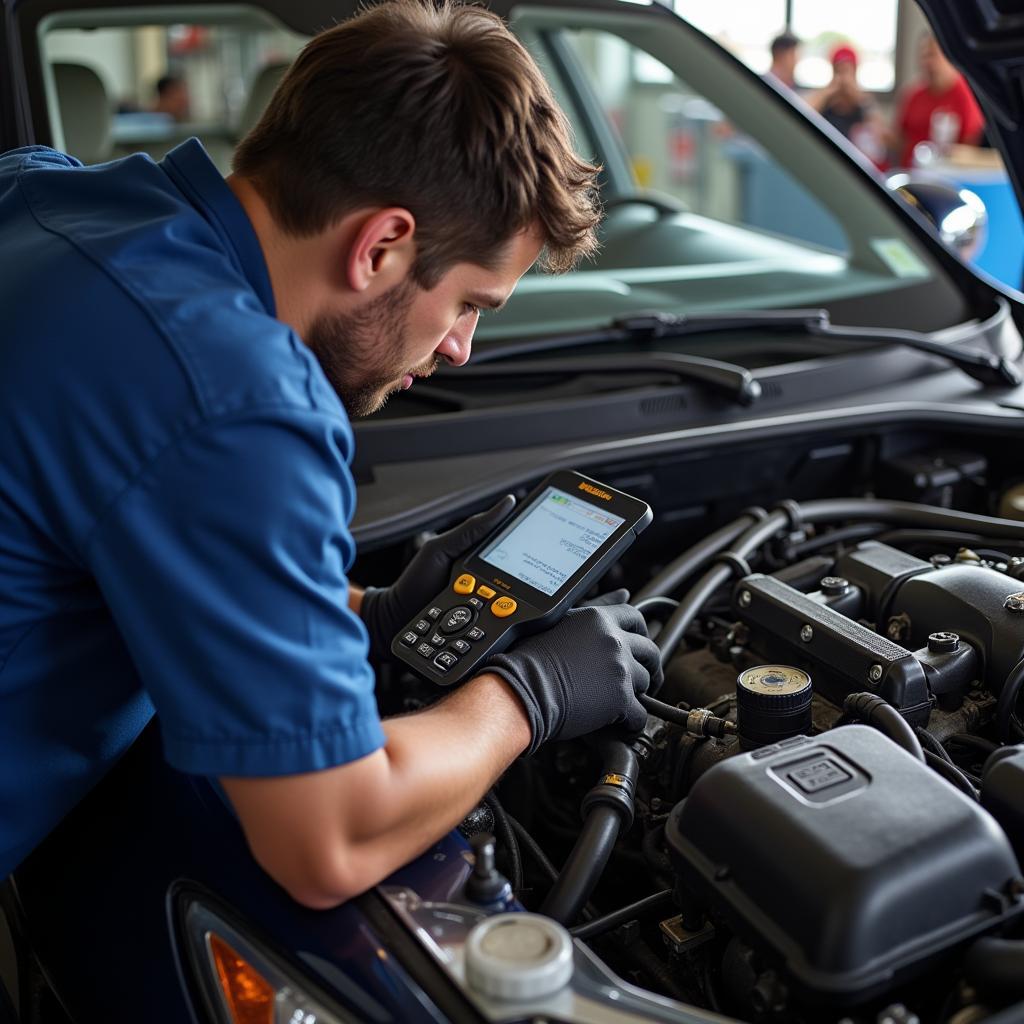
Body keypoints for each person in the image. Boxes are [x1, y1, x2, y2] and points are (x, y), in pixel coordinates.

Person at [0, 0, 661, 909]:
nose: (461, 345)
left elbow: (106, 527)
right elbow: (329, 839)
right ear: (383, 244)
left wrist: (371, 615)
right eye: (470, 302)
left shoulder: (45, 195)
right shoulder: (236, 401)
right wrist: (531, 693)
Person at [893, 33, 984, 168]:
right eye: (924, 56)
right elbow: (899, 139)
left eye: (933, 55)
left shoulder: (966, 95)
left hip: (946, 175)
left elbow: (972, 146)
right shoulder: (913, 94)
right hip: (910, 172)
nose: (928, 62)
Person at [810, 44, 886, 167]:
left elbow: (882, 138)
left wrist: (860, 99)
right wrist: (827, 93)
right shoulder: (824, 99)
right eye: (839, 70)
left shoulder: (864, 102)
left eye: (847, 70)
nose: (843, 77)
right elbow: (804, 113)